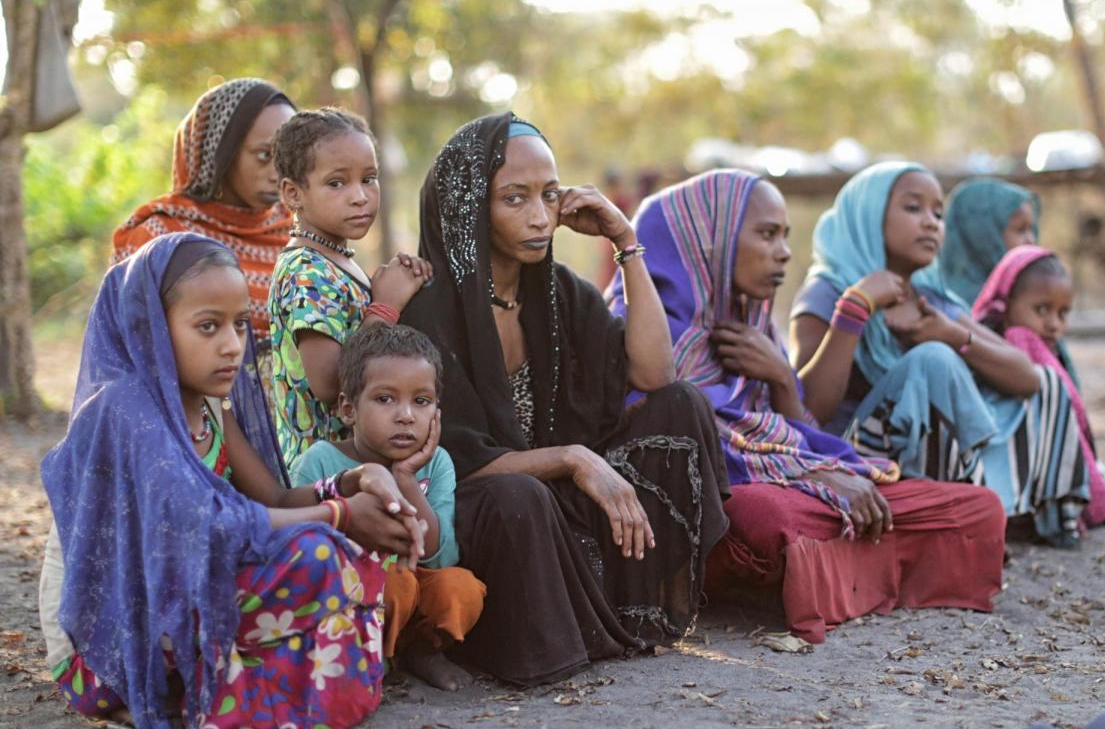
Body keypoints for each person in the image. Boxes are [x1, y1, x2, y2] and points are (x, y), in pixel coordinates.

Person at [39, 234, 425, 729]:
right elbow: (212, 525)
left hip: (176, 600)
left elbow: (274, 500)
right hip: (105, 643)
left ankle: (239, 689)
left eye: (240, 324)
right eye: (208, 326)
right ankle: (235, 695)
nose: (231, 344)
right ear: (150, 326)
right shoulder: (126, 409)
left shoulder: (209, 406)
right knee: (317, 550)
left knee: (344, 548)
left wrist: (355, 481)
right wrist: (340, 513)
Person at [400, 113, 729, 686]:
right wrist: (573, 459)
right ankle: (536, 635)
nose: (538, 216)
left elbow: (656, 372)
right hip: (488, 509)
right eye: (514, 198)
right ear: (472, 207)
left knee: (682, 403)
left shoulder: (559, 295)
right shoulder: (430, 311)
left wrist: (625, 242)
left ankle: (632, 612)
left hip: (561, 498)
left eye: (550, 195)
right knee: (518, 495)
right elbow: (456, 461)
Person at [609, 169, 1005, 641]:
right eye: (767, 234)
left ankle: (840, 567)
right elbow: (696, 459)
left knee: (977, 507)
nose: (784, 252)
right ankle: (848, 564)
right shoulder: (638, 333)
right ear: (709, 241)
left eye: (786, 236)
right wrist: (815, 477)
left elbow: (800, 429)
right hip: (731, 501)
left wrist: (779, 377)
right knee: (779, 523)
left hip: (790, 479)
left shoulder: (750, 328)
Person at [789, 162, 1091, 548]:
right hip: (856, 463)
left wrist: (954, 336)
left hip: (933, 458)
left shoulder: (931, 298)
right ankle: (963, 518)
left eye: (938, 212)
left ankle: (1021, 514)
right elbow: (808, 409)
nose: (931, 222)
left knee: (1046, 376)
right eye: (913, 208)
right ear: (866, 214)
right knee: (932, 360)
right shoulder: (828, 291)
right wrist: (856, 309)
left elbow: (1029, 377)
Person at [290, 323, 486, 691]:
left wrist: (407, 478)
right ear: (348, 408)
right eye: (386, 399)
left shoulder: (437, 463)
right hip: (349, 599)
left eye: (421, 401)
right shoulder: (320, 462)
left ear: (437, 413)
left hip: (413, 583)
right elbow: (303, 555)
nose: (406, 415)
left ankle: (422, 652)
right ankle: (367, 653)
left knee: (461, 588)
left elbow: (438, 556)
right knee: (394, 583)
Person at [268, 107, 431, 465]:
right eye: (337, 183)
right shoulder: (306, 271)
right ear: (293, 193)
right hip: (325, 471)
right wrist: (385, 307)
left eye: (369, 179)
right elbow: (328, 382)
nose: (360, 196)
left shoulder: (334, 259)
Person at [111, 78, 296, 339]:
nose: (279, 171)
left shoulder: (299, 234)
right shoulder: (161, 238)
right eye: (264, 155)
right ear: (222, 155)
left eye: (289, 156)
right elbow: (130, 344)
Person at [973, 246, 1105, 528]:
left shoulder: (982, 342)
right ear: (1005, 304)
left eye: (1063, 313)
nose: (1054, 324)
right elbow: (1071, 427)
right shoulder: (1022, 341)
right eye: (1041, 309)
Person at [941, 177, 1040, 306]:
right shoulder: (948, 305)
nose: (1031, 240)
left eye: (1031, 229)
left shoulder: (1025, 291)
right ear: (983, 236)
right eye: (1020, 230)